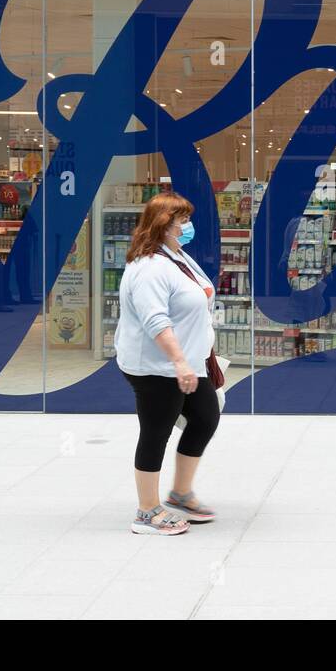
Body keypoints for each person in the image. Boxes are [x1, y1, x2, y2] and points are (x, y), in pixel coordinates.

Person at [115, 191, 221, 535]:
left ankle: (180, 492)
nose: (188, 226)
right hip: (157, 366)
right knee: (156, 431)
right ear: (164, 225)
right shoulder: (148, 268)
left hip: (188, 361)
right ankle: (146, 512)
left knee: (205, 417)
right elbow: (156, 320)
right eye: (183, 221)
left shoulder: (177, 257)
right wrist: (179, 360)